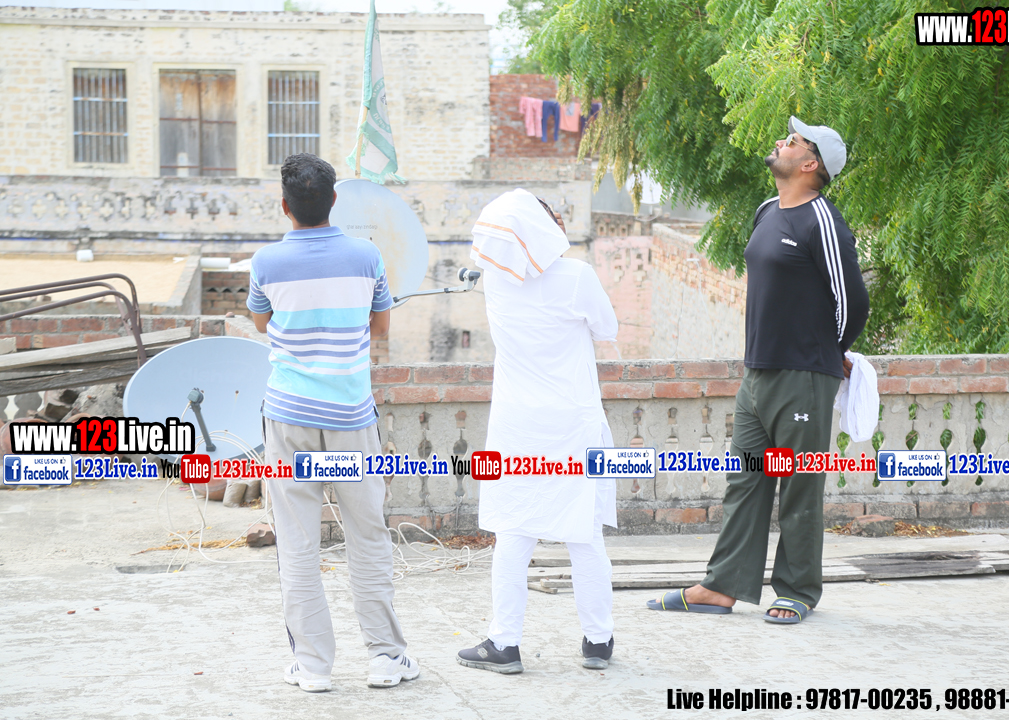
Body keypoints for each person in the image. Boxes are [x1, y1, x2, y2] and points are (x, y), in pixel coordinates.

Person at [648, 118, 869, 624]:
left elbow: (853, 302)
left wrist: (828, 353)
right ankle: (720, 586)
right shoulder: (768, 210)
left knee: (799, 485)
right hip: (758, 372)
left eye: (792, 141)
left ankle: (797, 590)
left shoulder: (823, 221)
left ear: (810, 164)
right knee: (745, 481)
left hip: (804, 376)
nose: (780, 143)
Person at [247, 153, 418, 691]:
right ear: (334, 201)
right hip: (350, 417)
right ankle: (386, 658)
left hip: (288, 418)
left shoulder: (266, 263)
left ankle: (314, 666)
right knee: (367, 534)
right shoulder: (366, 256)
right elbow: (381, 327)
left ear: (285, 206)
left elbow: (261, 321)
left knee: (297, 542)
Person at [456, 189, 620, 672]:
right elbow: (606, 329)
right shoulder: (578, 277)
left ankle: (503, 643)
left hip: (518, 428)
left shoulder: (496, 283)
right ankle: (598, 641)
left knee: (514, 530)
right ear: (545, 228)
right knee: (585, 534)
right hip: (574, 425)